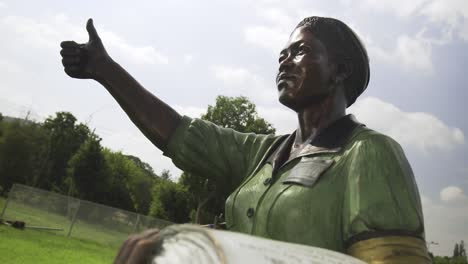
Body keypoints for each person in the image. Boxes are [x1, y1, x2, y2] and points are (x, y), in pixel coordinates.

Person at [60, 17, 431, 263]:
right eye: (282, 54)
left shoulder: (368, 153)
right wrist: (104, 69)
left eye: (300, 51)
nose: (284, 62)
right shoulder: (262, 152)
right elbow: (180, 134)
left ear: (341, 71)